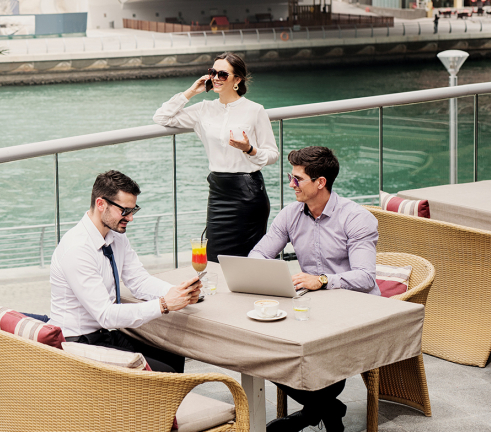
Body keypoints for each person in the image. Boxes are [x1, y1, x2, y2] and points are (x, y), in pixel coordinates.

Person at [249, 146, 380, 432]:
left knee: (320, 355)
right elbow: (258, 255)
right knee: (262, 349)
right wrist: (271, 275)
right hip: (311, 307)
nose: (291, 184)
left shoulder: (357, 218)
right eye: (290, 176)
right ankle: (327, 409)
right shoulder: (290, 214)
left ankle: (314, 411)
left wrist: (321, 280)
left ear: (320, 182)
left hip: (355, 310)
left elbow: (365, 278)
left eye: (297, 179)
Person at [49, 170, 202, 373]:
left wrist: (178, 291)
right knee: (166, 373)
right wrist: (164, 304)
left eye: (133, 210)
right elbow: (105, 314)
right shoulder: (77, 249)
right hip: (78, 343)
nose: (130, 218)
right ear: (101, 204)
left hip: (104, 334)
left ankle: (158, 403)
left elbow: (139, 282)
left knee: (173, 352)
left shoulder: (116, 237)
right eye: (125, 211)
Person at [153, 52, 279, 262]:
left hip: (248, 194)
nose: (216, 78)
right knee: (214, 258)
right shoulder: (203, 109)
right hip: (218, 193)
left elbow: (273, 154)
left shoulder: (255, 110)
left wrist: (249, 149)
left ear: (237, 79)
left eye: (223, 74)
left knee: (249, 260)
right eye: (213, 72)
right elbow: (161, 117)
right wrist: (192, 91)